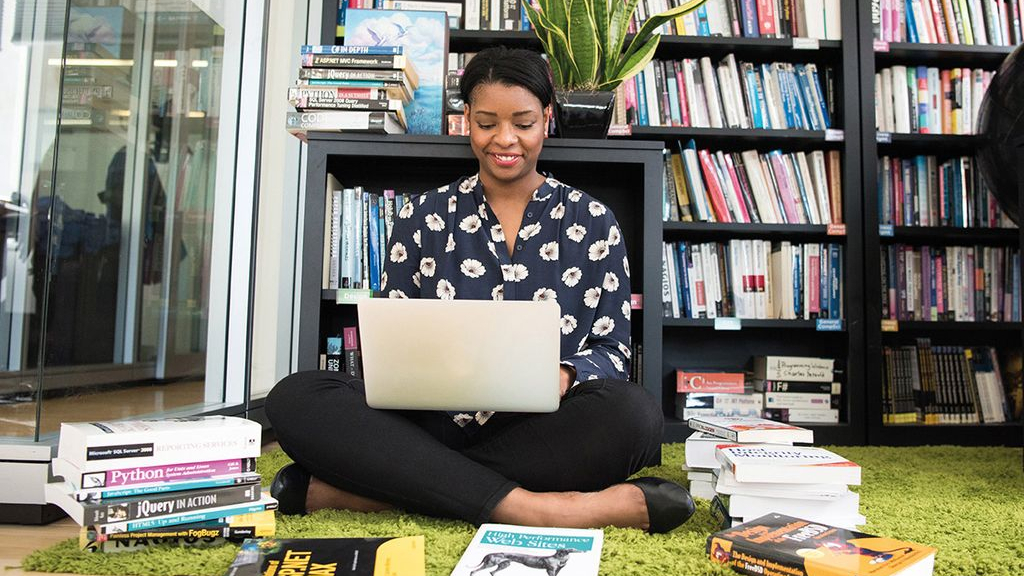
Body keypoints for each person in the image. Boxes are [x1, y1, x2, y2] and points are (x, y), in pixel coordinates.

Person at [266, 46, 695, 533]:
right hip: (427, 422)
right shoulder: (421, 215)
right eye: (487, 122)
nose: (505, 139)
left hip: (541, 428)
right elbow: (393, 337)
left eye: (524, 122)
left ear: (547, 119)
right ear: (466, 118)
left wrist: (562, 374)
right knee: (295, 397)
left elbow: (614, 350)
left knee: (635, 416)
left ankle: (384, 492)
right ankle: (546, 509)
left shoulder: (593, 221)